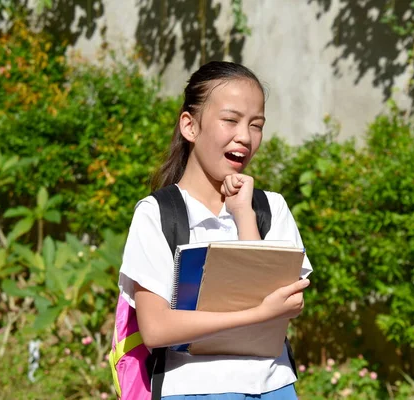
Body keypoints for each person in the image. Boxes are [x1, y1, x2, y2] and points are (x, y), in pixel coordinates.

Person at [118, 61, 313, 399]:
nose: (245, 136)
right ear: (190, 126)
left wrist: (244, 216)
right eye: (230, 120)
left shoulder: (271, 209)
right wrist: (256, 313)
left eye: (256, 125)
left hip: (275, 387)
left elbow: (284, 306)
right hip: (194, 390)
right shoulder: (157, 214)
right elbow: (156, 328)